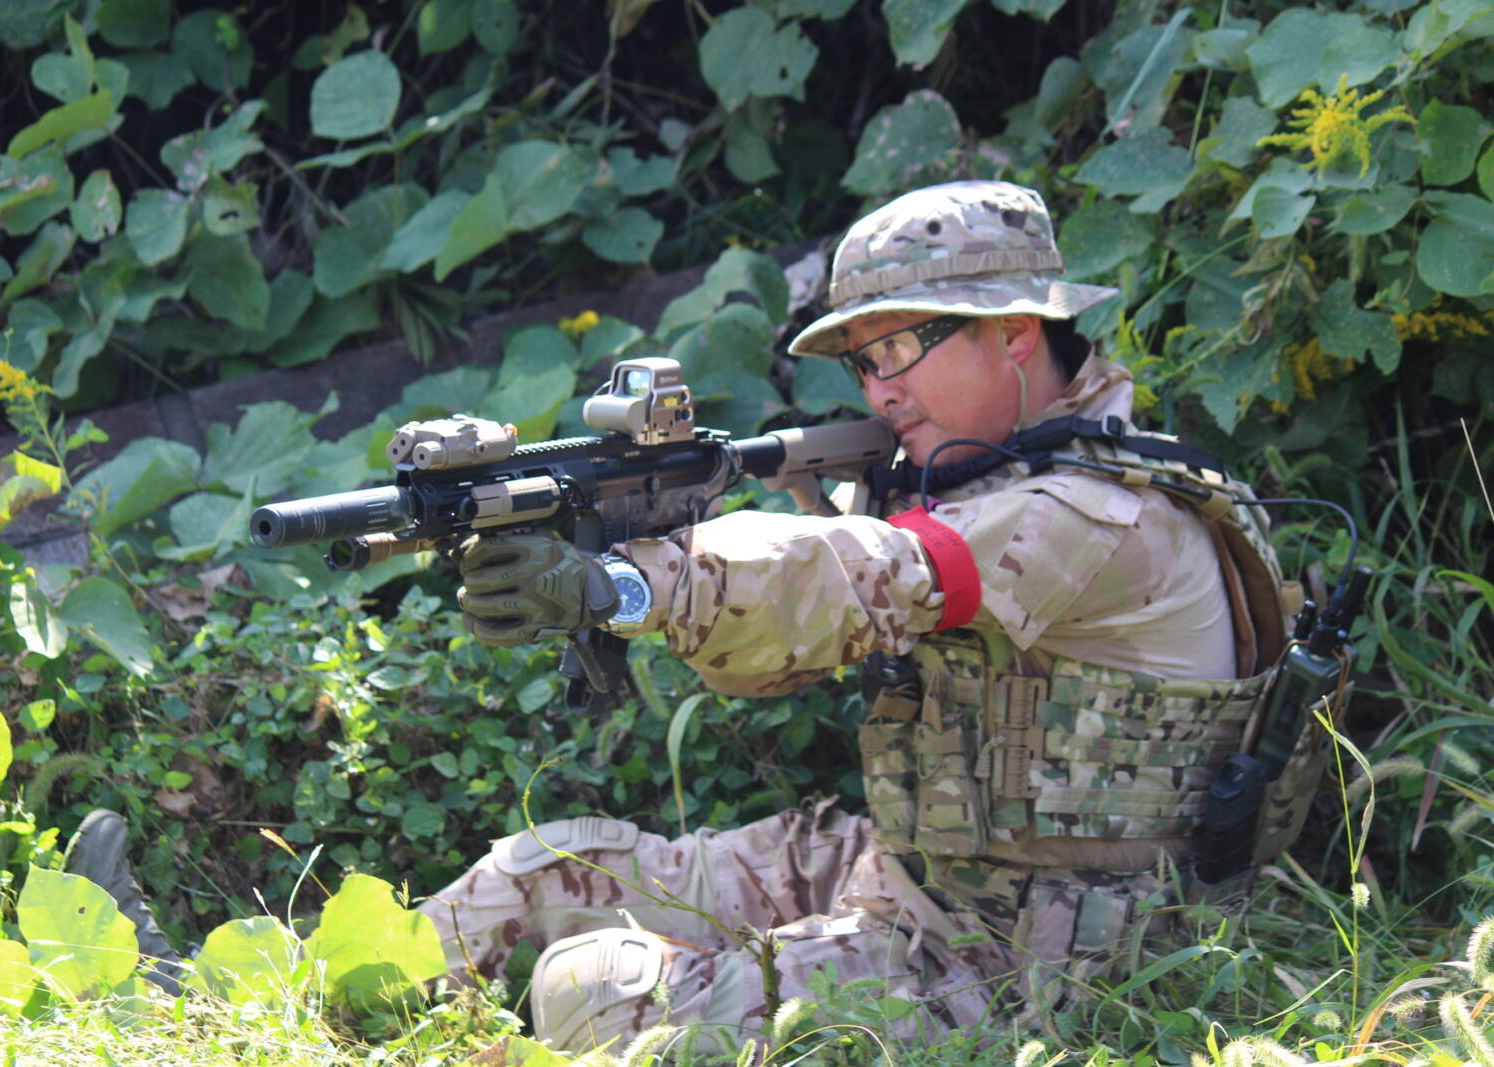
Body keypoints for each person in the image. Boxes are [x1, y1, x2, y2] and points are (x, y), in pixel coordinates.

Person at [423, 180, 1300, 1053]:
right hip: (915, 878)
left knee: (598, 991)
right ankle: (348, 1008)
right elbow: (781, 658)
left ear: (1015, 332)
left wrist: (622, 583)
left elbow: (872, 570)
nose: (880, 392)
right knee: (537, 872)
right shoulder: (980, 480)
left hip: (1041, 960)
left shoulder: (1100, 515)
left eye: (900, 348)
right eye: (862, 362)